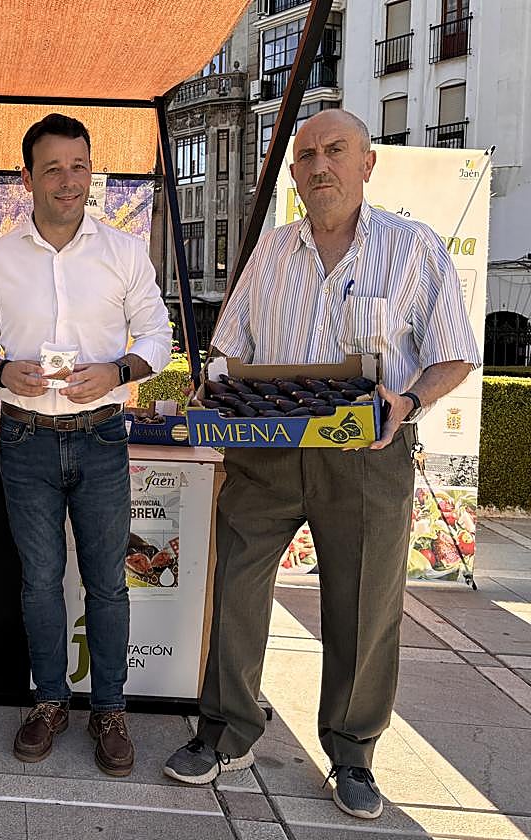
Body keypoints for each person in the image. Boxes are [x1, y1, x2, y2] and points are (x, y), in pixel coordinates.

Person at [162, 109, 480, 820]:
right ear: (296, 174)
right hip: (265, 454)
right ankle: (226, 733)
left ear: (368, 163)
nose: (318, 165)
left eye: (335, 150)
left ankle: (353, 752)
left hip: (367, 457)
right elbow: (230, 344)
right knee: (235, 588)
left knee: (364, 605)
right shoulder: (272, 251)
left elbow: (455, 353)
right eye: (305, 156)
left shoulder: (413, 248)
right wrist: (212, 385)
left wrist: (409, 401)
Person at [0, 113, 172, 777]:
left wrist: (118, 372)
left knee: (109, 583)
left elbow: (157, 336)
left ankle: (108, 710)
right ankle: (50, 701)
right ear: (27, 178)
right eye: (52, 168)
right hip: (25, 438)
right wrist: (2, 370)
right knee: (39, 581)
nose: (67, 180)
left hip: (102, 437)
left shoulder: (123, 253)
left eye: (78, 166)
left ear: (92, 172)